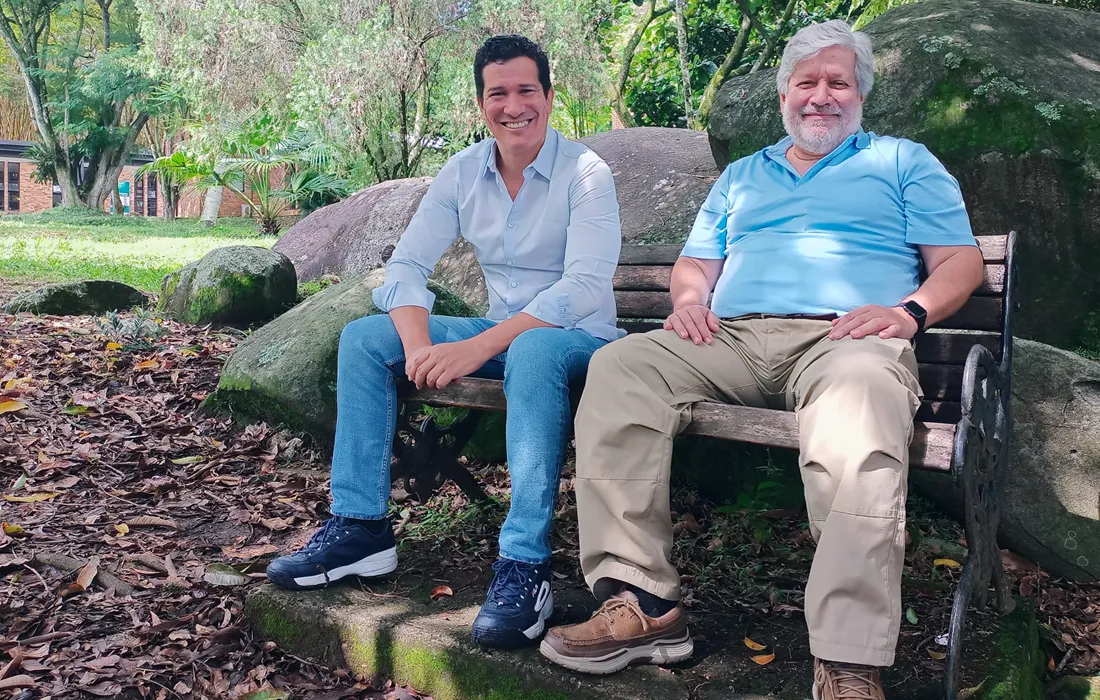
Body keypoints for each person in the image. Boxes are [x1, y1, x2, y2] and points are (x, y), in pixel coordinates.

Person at [539, 19, 983, 700]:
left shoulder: (901, 162)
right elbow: (694, 264)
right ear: (783, 97)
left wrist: (908, 313)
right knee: (623, 367)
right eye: (807, 82)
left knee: (863, 405)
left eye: (838, 82)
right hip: (732, 339)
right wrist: (688, 297)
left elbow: (960, 261)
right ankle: (644, 606)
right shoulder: (745, 175)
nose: (821, 96)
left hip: (846, 343)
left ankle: (847, 660)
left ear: (860, 96)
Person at [266, 34, 624, 651]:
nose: (514, 106)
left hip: (577, 341)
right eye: (498, 94)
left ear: (549, 96)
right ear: (481, 103)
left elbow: (584, 288)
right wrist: (414, 344)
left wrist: (476, 349)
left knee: (535, 350)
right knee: (364, 337)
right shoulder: (464, 172)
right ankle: (361, 529)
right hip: (499, 334)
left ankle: (524, 565)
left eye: (526, 91)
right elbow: (406, 267)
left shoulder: (585, 174)